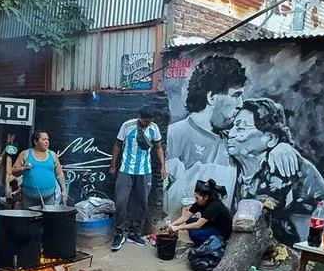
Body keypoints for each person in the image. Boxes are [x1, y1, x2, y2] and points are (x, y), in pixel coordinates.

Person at [164, 55, 302, 218]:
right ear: (212, 97)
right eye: (236, 95)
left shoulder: (234, 139)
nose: (241, 103)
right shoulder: (173, 135)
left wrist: (281, 147)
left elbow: (261, 151)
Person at [225, 98, 324, 244]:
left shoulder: (289, 168)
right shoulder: (233, 163)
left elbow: (321, 230)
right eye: (233, 126)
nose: (231, 133)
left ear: (271, 138)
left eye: (241, 129)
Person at [110, 106, 166, 251]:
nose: (147, 124)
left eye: (149, 121)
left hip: (145, 171)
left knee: (142, 203)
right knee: (121, 202)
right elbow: (117, 145)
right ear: (139, 117)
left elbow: (158, 147)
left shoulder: (154, 128)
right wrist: (113, 165)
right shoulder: (127, 126)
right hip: (125, 170)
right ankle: (119, 233)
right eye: (145, 121)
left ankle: (135, 233)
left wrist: (163, 166)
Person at [168, 179, 233, 246]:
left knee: (195, 234)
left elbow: (198, 225)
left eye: (197, 198)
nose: (195, 200)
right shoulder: (200, 203)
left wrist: (178, 228)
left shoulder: (214, 206)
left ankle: (213, 243)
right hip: (212, 224)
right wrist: (172, 225)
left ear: (205, 197)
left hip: (221, 232)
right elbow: (185, 217)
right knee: (190, 221)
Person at [11, 131, 67, 208]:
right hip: (29, 197)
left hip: (49, 196)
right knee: (30, 218)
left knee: (46, 218)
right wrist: (23, 168)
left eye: (47, 139)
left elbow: (59, 174)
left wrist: (64, 190)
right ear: (35, 142)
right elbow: (14, 171)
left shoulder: (53, 155)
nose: (47, 142)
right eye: (43, 139)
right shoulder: (25, 154)